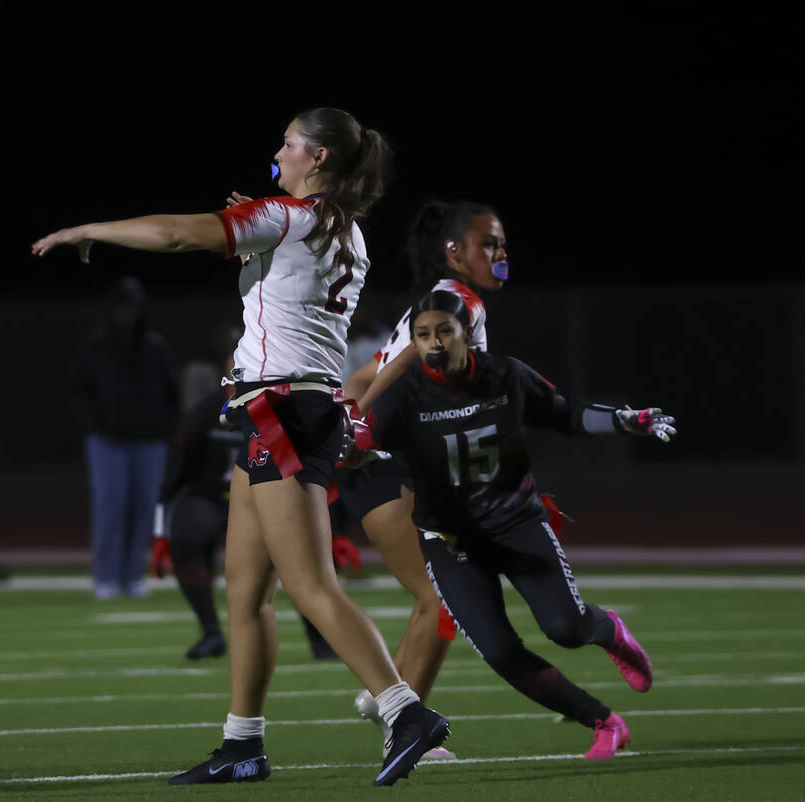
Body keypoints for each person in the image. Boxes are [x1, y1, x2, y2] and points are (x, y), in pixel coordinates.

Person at [33, 107, 448, 787]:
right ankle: (241, 745)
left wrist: (89, 230)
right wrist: (262, 220)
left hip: (282, 408)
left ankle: (406, 711)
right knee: (246, 593)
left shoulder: (286, 218)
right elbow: (285, 264)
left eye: (289, 143)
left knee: (310, 584)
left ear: (318, 158)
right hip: (282, 407)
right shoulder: (343, 230)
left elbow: (173, 236)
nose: (276, 151)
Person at [366, 288, 675, 759]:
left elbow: (566, 413)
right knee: (501, 653)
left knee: (564, 628)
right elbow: (359, 445)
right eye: (423, 334)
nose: (434, 344)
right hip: (451, 544)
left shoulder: (504, 374)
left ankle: (609, 630)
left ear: (467, 333)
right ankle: (604, 723)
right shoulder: (403, 395)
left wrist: (623, 422)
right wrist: (334, 442)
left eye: (444, 332)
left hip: (515, 524)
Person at [338, 200, 507, 756]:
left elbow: (371, 368)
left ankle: (392, 696)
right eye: (489, 244)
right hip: (390, 464)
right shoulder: (456, 304)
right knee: (442, 597)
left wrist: (348, 406)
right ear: (455, 251)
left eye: (501, 243)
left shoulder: (438, 297)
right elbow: (403, 360)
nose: (501, 254)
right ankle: (402, 725)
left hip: (398, 463)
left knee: (439, 595)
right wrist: (363, 423)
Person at [151, 324, 360, 661]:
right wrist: (161, 533)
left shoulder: (285, 409)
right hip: (215, 500)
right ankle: (210, 633)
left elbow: (315, 477)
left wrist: (335, 531)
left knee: (301, 564)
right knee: (190, 532)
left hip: (272, 497)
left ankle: (322, 640)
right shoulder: (203, 414)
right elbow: (174, 474)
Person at [68, 276, 180, 600]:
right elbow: (79, 390)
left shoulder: (156, 347)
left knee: (143, 509)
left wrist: (164, 428)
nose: (126, 315)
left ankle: (132, 576)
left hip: (149, 443)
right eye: (121, 308)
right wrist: (95, 424)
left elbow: (172, 393)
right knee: (110, 508)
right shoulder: (96, 347)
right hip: (107, 442)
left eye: (131, 308)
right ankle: (105, 576)